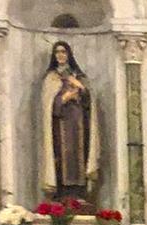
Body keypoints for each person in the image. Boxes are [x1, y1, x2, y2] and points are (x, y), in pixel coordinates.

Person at [41, 41, 99, 201]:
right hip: (60, 127)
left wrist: (81, 88)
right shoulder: (51, 78)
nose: (60, 55)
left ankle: (79, 193)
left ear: (69, 55)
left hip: (79, 125)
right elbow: (48, 107)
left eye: (63, 52)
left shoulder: (79, 76)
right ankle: (62, 194)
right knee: (61, 158)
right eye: (57, 52)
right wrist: (63, 98)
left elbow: (89, 104)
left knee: (80, 156)